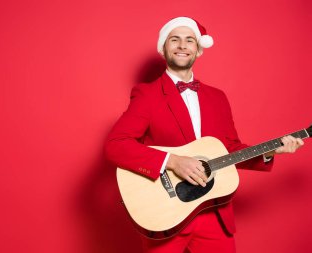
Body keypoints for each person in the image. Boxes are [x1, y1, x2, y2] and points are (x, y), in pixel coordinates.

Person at [104, 17, 304, 253]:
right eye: (174, 39)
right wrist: (173, 162)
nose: (182, 45)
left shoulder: (218, 98)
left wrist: (270, 151)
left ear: (198, 50)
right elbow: (116, 145)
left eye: (190, 40)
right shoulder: (147, 95)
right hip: (167, 213)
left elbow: (229, 149)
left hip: (215, 214)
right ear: (163, 48)